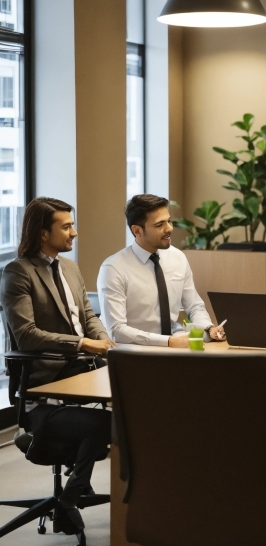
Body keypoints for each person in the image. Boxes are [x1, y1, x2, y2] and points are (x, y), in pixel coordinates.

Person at [0, 197, 114, 508]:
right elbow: (26, 335)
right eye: (66, 227)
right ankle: (70, 500)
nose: (74, 232)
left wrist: (105, 342)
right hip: (44, 390)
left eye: (72, 225)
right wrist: (81, 344)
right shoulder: (18, 272)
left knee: (137, 411)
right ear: (43, 234)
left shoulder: (70, 268)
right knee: (106, 425)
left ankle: (75, 494)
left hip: (84, 375)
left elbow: (88, 317)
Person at [98, 194, 226, 346]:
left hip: (176, 346)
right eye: (159, 225)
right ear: (137, 230)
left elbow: (194, 306)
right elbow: (116, 330)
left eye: (168, 221)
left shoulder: (178, 258)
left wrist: (208, 328)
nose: (169, 228)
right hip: (133, 352)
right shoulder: (114, 268)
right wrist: (168, 341)